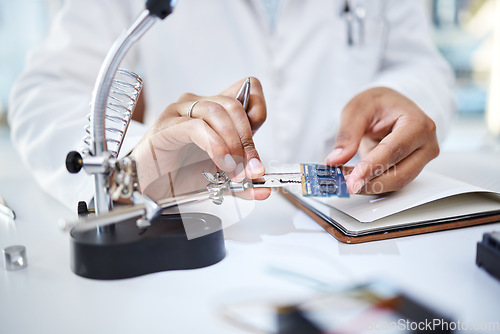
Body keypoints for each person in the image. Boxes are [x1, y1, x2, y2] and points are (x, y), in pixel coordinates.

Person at [8, 0, 455, 210]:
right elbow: (44, 92)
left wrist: (407, 98)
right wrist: (134, 166)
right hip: (201, 235)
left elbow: (419, 62)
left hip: (361, 225)